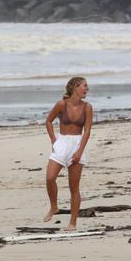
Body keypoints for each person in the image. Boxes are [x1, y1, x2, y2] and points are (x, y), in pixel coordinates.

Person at [43, 77, 93, 231]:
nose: (87, 89)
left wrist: (79, 151)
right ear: (75, 87)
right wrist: (54, 141)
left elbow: (87, 131)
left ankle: (72, 223)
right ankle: (54, 207)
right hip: (62, 143)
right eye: (84, 86)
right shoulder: (61, 104)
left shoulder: (87, 107)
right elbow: (48, 122)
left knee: (74, 186)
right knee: (50, 178)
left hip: (78, 144)